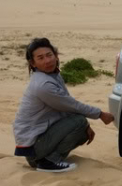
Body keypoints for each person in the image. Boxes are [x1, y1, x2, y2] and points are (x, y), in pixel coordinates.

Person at [13, 38, 115, 173]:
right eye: (41, 58)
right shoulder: (43, 85)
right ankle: (49, 162)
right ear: (33, 63)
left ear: (56, 55)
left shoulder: (53, 74)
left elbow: (66, 105)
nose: (47, 61)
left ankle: (48, 159)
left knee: (83, 130)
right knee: (79, 121)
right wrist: (100, 114)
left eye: (49, 55)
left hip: (40, 143)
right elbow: (72, 106)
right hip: (33, 149)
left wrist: (86, 126)